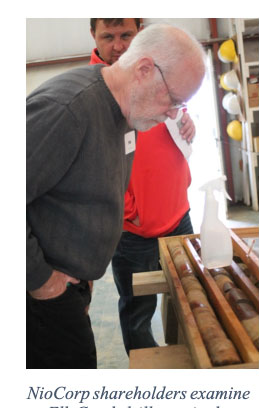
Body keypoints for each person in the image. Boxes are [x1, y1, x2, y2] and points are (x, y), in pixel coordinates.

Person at [26, 22, 205, 369]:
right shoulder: (67, 110)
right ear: (144, 70)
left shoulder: (125, 110)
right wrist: (41, 281)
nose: (173, 112)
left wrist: (86, 274)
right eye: (174, 100)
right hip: (39, 291)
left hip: (71, 283)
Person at [89, 19, 205, 355]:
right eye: (108, 37)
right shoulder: (94, 90)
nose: (119, 46)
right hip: (132, 233)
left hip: (178, 216)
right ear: (93, 37)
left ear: (140, 31)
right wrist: (128, 212)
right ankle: (147, 376)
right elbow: (92, 166)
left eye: (126, 35)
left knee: (192, 301)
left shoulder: (159, 69)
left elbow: (175, 114)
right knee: (139, 313)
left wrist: (186, 123)